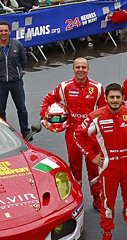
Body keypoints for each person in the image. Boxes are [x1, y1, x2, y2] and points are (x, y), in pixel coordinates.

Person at [74, 84, 127, 240]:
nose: (115, 100)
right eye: (112, 97)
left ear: (123, 99)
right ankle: (106, 234)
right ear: (106, 98)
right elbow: (77, 135)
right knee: (107, 203)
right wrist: (92, 157)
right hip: (109, 167)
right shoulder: (96, 116)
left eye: (118, 97)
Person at [40, 57, 106, 210]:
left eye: (83, 67)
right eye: (78, 67)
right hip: (73, 133)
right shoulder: (65, 87)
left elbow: (104, 110)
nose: (81, 70)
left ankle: (97, 200)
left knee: (94, 168)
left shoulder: (97, 88)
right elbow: (48, 99)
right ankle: (77, 199)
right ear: (73, 69)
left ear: (88, 69)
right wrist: (44, 117)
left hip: (92, 135)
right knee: (75, 168)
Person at [0, 20, 31, 139]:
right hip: (0, 83)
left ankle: (25, 131)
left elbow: (23, 61)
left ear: (10, 31)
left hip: (16, 81)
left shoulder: (17, 45)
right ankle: (4, 134)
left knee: (21, 107)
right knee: (0, 109)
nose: (3, 33)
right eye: (1, 30)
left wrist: (17, 72)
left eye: (6, 30)